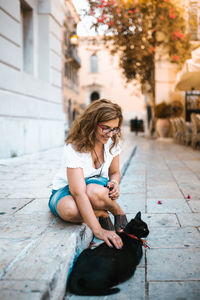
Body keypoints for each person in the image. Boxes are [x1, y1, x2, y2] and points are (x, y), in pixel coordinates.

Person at [48, 99, 128, 249]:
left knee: (92, 191)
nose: (110, 134)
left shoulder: (112, 143)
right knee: (69, 210)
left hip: (95, 187)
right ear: (92, 123)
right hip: (65, 190)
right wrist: (97, 230)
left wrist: (115, 183)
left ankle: (118, 211)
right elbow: (77, 192)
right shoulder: (74, 147)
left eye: (114, 129)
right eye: (105, 128)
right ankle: (102, 214)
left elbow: (115, 172)